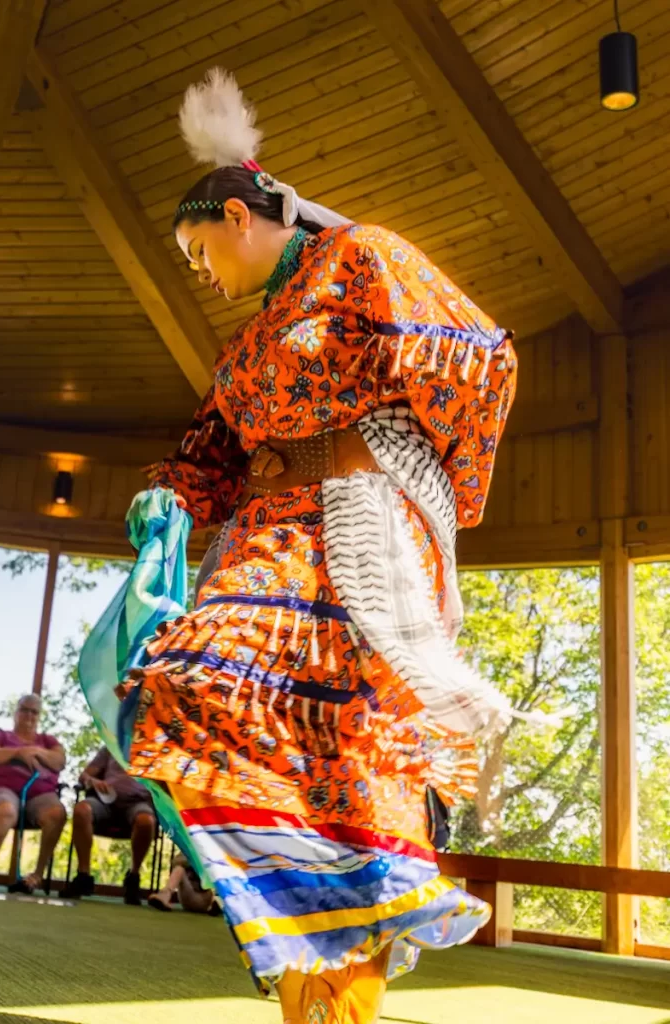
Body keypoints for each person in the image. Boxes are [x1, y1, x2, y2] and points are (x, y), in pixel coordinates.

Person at [106, 69, 519, 1024]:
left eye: (196, 245)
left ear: (241, 212)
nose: (196, 268)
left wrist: (404, 467)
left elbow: (480, 356)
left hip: (352, 530)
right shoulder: (245, 347)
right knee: (180, 689)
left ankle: (339, 997)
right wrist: (166, 498)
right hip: (258, 541)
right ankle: (300, 957)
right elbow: (208, 448)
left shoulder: (365, 258)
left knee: (350, 740)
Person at [0, 693, 66, 894]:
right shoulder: (0, 736)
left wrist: (35, 752)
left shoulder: (47, 741)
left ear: (39, 716)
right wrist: (17, 753)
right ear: (16, 713)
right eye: (24, 710)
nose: (29, 715)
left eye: (34, 712)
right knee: (5, 809)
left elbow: (59, 761)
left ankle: (36, 876)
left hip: (40, 794)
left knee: (57, 814)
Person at [60, 746, 156, 905]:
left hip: (139, 802)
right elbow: (84, 776)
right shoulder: (112, 747)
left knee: (146, 821)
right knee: (81, 810)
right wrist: (93, 781)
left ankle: (133, 877)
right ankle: (83, 875)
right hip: (105, 801)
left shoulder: (159, 750)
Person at [148, 852, 221, 917]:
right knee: (179, 869)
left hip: (206, 897)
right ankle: (165, 895)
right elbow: (176, 861)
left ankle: (219, 902)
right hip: (189, 893)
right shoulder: (190, 847)